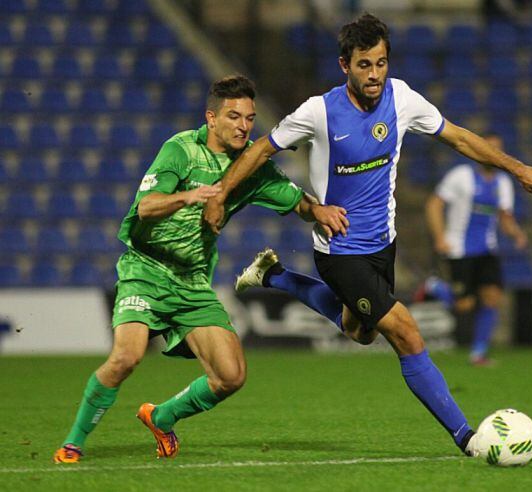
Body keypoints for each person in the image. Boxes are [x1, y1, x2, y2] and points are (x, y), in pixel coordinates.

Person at [203, 13, 532, 457]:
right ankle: (467, 438)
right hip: (339, 250)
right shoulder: (319, 112)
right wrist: (220, 195)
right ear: (344, 65)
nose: (374, 74)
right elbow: (261, 148)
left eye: (381, 63)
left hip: (382, 246)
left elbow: (461, 139)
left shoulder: (403, 99)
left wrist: (518, 168)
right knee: (406, 333)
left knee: (360, 331)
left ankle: (275, 276)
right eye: (364, 65)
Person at [53, 75, 347, 463]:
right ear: (211, 118)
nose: (244, 126)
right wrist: (187, 196)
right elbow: (146, 207)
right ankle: (73, 442)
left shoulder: (250, 170)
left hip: (192, 282)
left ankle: (161, 416)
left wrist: (318, 210)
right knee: (127, 356)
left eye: (249, 118)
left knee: (231, 375)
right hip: (146, 269)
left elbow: (296, 201)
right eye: (233, 116)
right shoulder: (181, 150)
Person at [425, 134, 529, 366]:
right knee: (465, 305)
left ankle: (478, 353)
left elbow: (505, 217)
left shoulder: (503, 182)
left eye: (498, 149)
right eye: (489, 148)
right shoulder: (461, 176)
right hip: (460, 249)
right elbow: (434, 204)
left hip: (486, 249)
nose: (493, 153)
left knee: (492, 298)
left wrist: (516, 233)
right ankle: (433, 287)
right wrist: (440, 237)